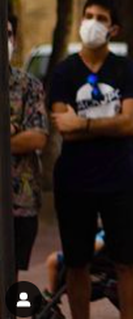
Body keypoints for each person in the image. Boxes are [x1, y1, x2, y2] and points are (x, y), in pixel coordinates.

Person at [49, 0, 133, 319]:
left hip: (121, 179)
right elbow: (65, 127)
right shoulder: (64, 72)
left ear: (113, 29)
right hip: (75, 181)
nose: (91, 22)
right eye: (87, 15)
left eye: (100, 18)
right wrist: (109, 124)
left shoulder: (126, 69)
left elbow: (131, 123)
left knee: (127, 262)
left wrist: (85, 122)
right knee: (77, 263)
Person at [7, 14, 49, 275]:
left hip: (20, 202)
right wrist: (13, 131)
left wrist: (20, 133)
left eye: (8, 34)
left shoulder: (28, 86)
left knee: (11, 274)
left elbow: (37, 137)